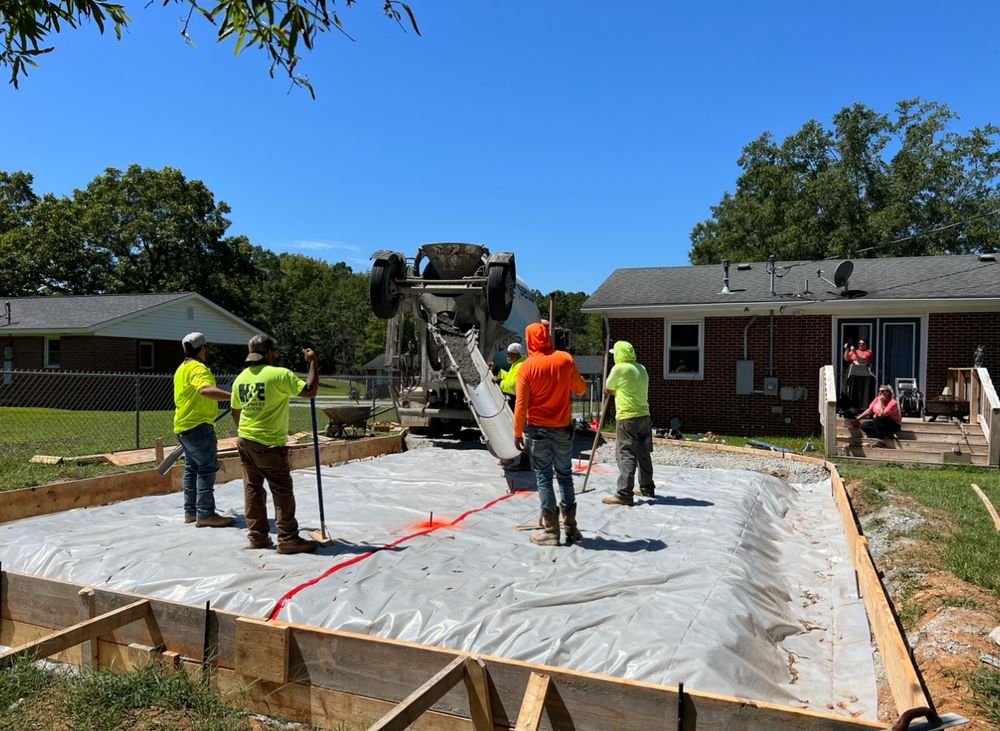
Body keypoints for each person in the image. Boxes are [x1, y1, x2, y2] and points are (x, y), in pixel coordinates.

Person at [231, 334, 320, 554]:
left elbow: (235, 411)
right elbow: (309, 391)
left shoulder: (241, 378)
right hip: (269, 443)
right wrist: (313, 362)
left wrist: (246, 432)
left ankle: (258, 537)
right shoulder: (279, 374)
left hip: (245, 440)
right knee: (281, 489)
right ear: (269, 353)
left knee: (252, 488)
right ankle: (288, 538)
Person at [513, 322, 587, 546]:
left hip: (539, 430)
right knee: (565, 476)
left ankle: (551, 531)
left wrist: (517, 433)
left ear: (530, 340)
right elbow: (581, 388)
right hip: (563, 429)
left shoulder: (527, 367)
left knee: (544, 477)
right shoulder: (565, 359)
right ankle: (571, 528)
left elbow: (521, 404)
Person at [173, 332, 235, 527]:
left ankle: (191, 512)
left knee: (192, 468)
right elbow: (205, 390)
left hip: (184, 426)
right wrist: (233, 396)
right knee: (207, 468)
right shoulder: (198, 368)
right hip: (198, 427)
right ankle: (206, 513)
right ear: (202, 349)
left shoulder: (181, 369)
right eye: (206, 348)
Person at [602, 341, 655, 505]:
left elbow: (608, 387)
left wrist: (613, 389)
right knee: (643, 453)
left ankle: (624, 493)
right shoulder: (641, 368)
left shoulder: (619, 368)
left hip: (627, 417)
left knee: (626, 453)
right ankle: (647, 487)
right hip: (644, 416)